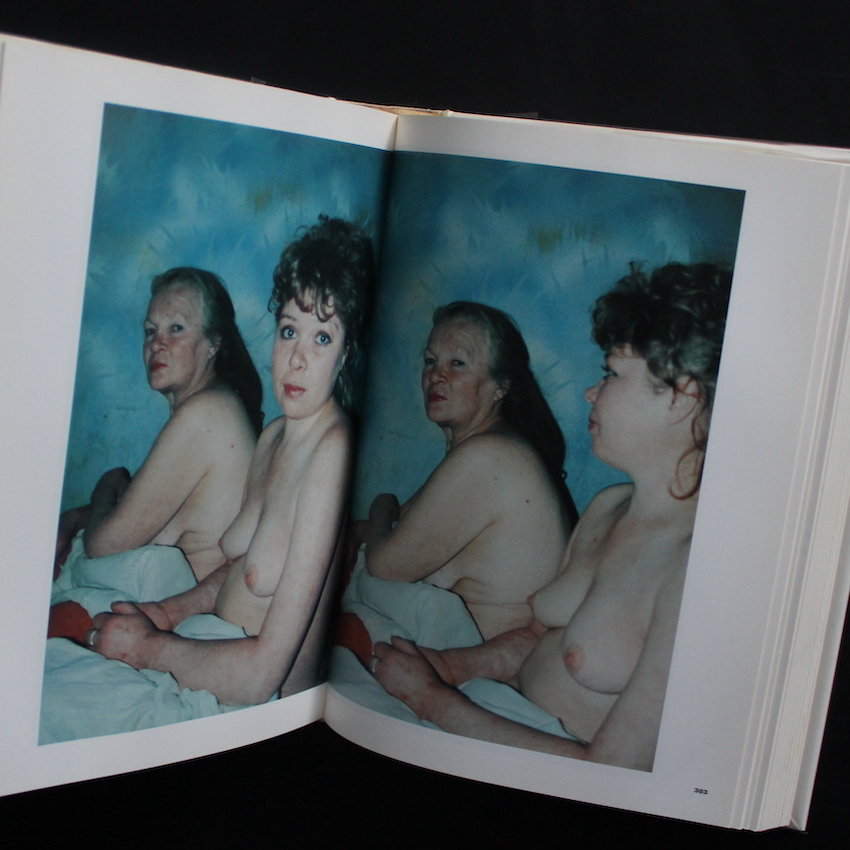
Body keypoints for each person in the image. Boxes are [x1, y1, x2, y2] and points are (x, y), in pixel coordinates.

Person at [370, 262, 731, 771]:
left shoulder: (697, 565)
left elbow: (614, 770)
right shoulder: (608, 506)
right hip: (498, 711)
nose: (591, 392)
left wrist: (432, 700)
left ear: (682, 399)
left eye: (611, 374)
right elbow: (538, 639)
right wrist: (447, 667)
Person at [40, 217, 374, 741]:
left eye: (322, 338)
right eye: (289, 331)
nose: (297, 358)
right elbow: (240, 568)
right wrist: (165, 612)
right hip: (207, 648)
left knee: (42, 698)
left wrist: (147, 647)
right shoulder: (275, 437)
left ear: (346, 353)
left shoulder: (333, 451)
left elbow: (264, 675)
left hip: (255, 709)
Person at [363, 302, 577, 641]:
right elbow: (400, 528)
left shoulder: (487, 458)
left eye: (457, 363)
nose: (436, 375)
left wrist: (380, 504)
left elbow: (383, 566)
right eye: (430, 361)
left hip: (484, 662)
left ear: (500, 386)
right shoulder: (484, 451)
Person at [56, 267, 262, 582]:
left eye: (176, 328)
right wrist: (75, 517)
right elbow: (137, 508)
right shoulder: (211, 405)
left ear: (213, 343)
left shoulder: (204, 414)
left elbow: (102, 545)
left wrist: (106, 485)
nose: (156, 344)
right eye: (150, 330)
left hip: (177, 604)